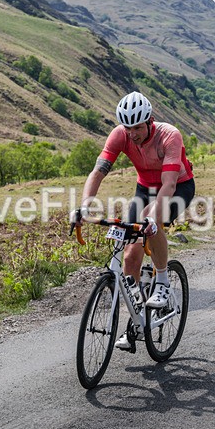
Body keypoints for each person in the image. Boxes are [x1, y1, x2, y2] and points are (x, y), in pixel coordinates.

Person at [72, 91, 195, 350]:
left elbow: (169, 184)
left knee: (151, 221)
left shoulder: (169, 135)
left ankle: (161, 281)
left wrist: (152, 217)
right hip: (144, 188)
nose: (133, 133)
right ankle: (137, 324)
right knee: (129, 257)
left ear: (150, 120)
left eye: (138, 127)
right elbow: (98, 172)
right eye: (128, 128)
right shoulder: (120, 135)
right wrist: (84, 206)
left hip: (177, 187)